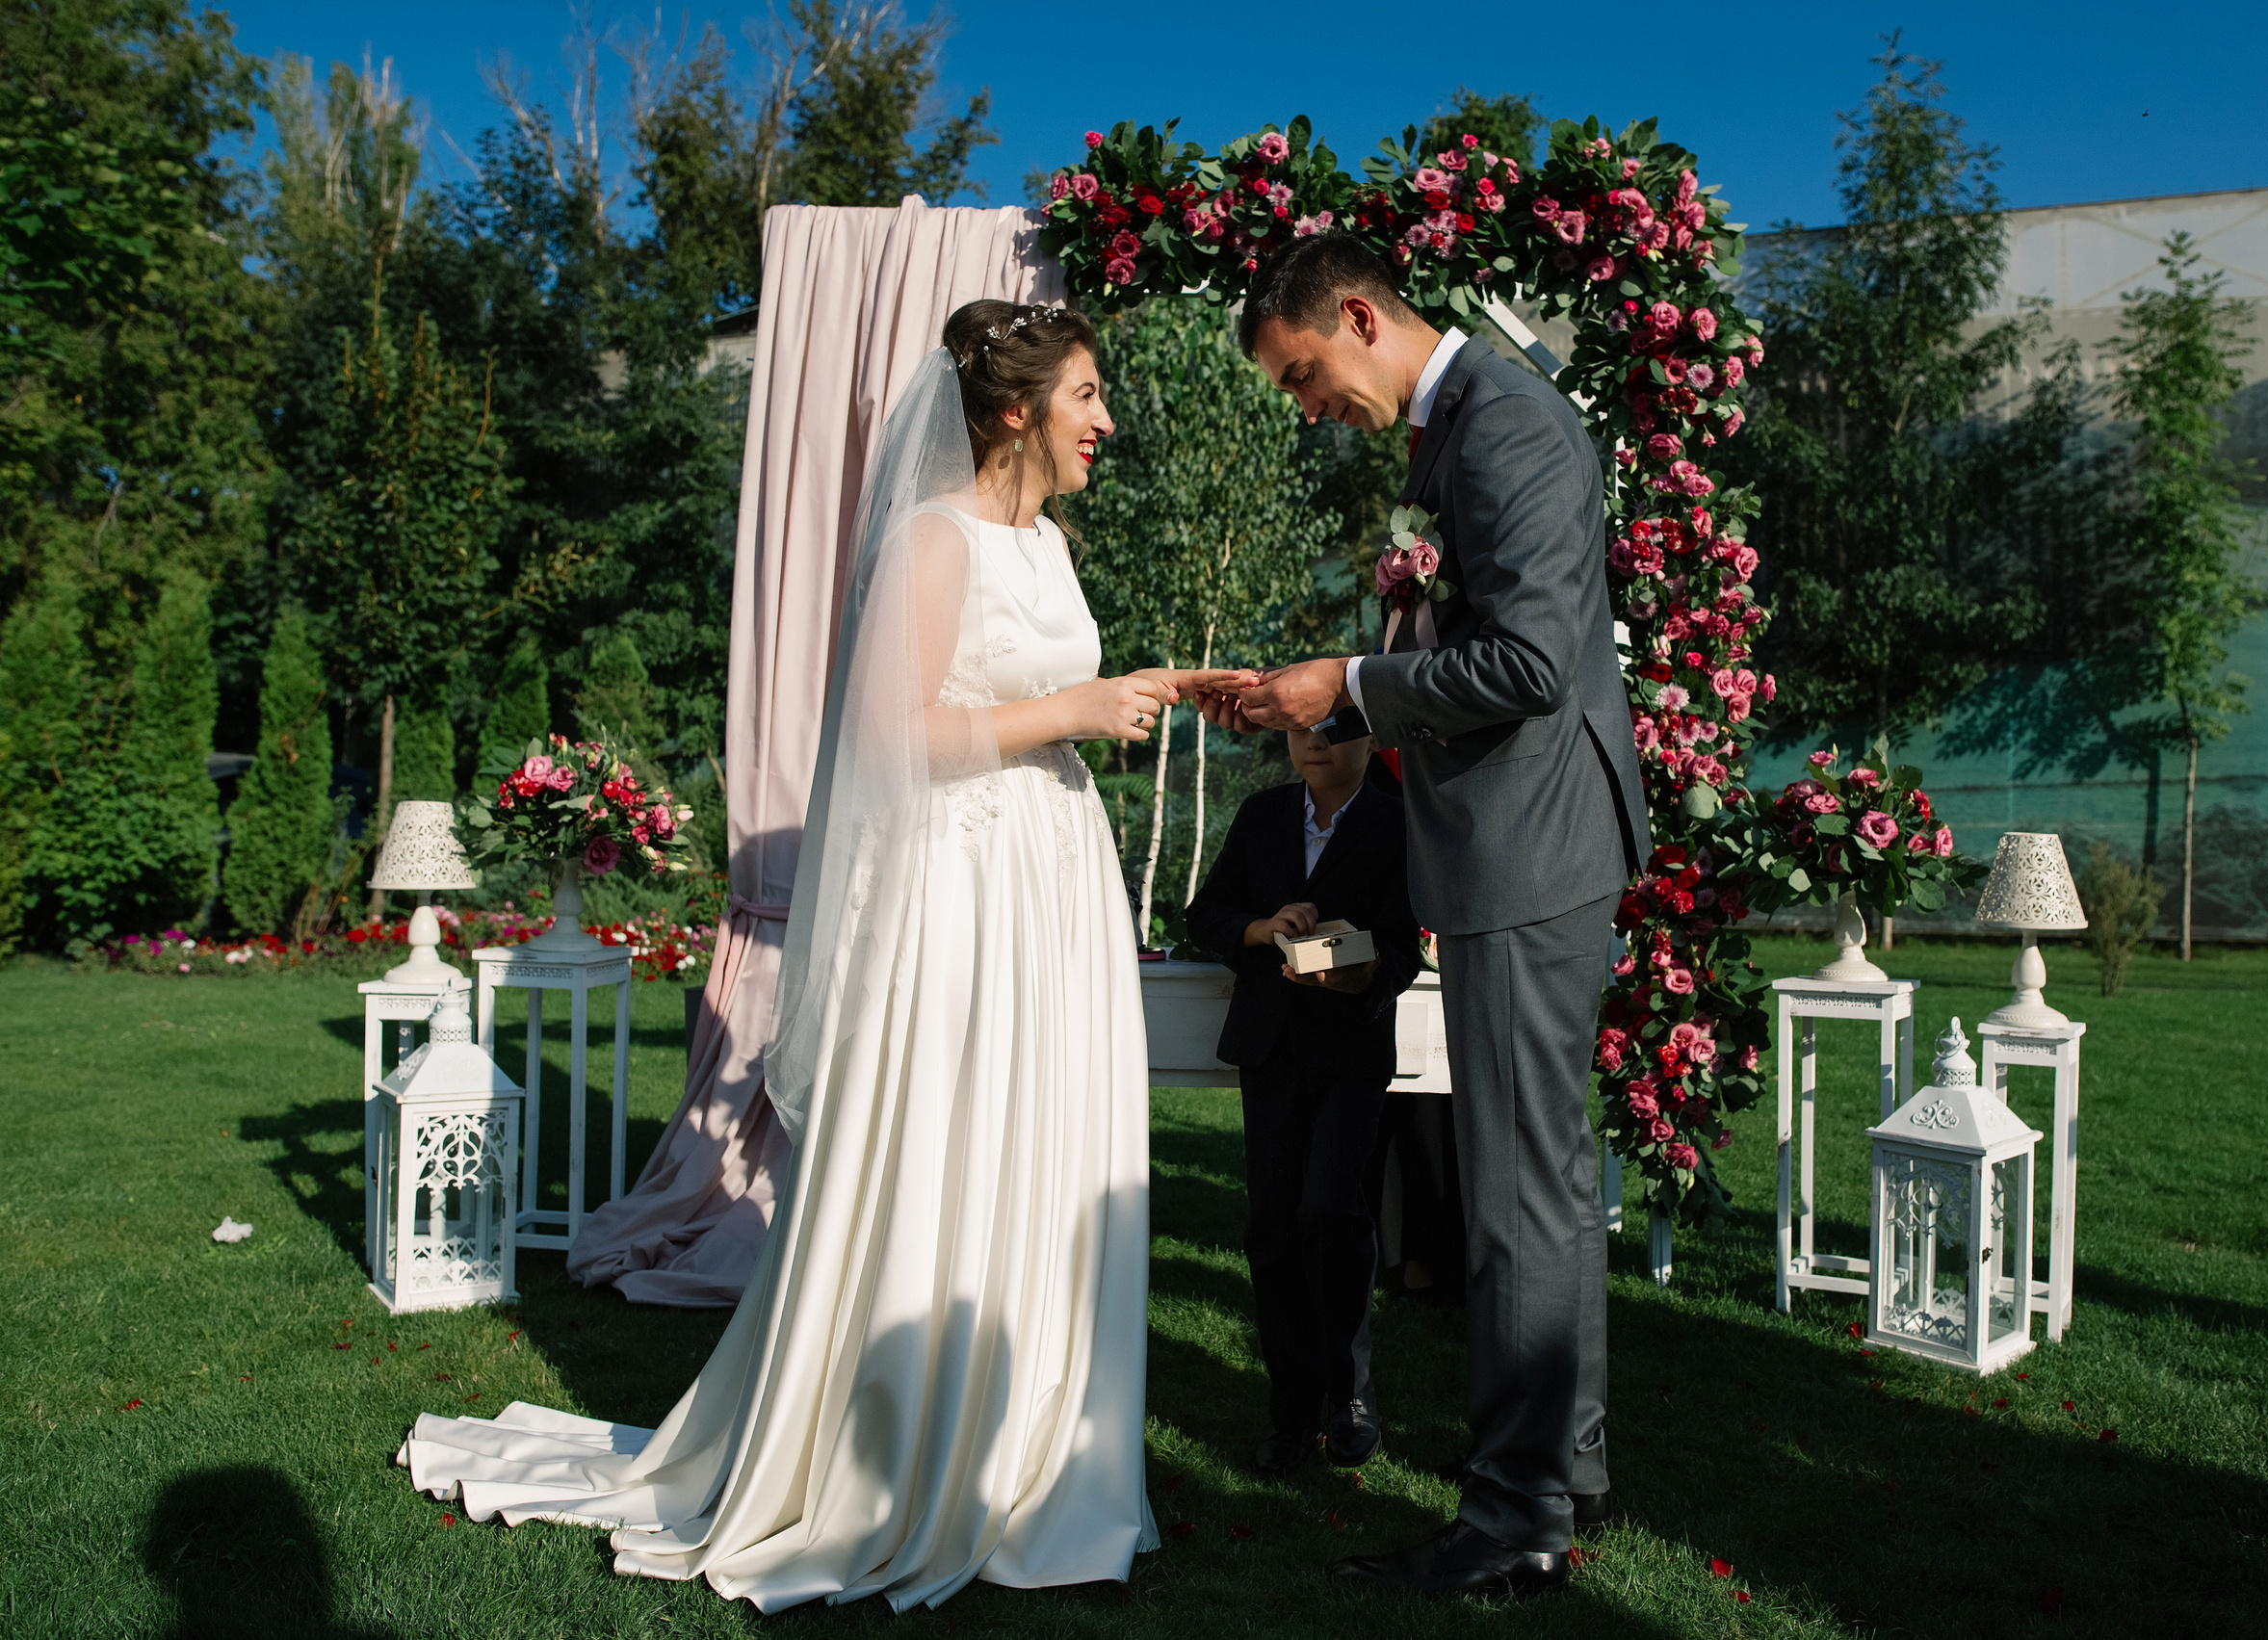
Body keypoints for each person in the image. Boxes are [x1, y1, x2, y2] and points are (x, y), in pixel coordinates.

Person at [399, 300, 1241, 1614]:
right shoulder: (931, 539)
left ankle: (1035, 1458)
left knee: (1044, 1149)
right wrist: (1072, 707)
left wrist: (1146, 690)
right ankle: (906, 1452)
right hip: (961, 889)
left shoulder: (1055, 543)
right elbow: (893, 731)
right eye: (1087, 394)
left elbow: (1031, 698)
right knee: (956, 1142)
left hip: (1050, 878)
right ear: (1016, 408)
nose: (1106, 418)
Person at [1201, 233, 1649, 1598]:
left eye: (1300, 372)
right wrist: (1341, 687)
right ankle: (1559, 1475)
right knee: (1548, 1187)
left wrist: (1348, 675)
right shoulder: (1464, 427)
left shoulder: (1503, 424)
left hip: (1530, 847)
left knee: (1515, 1195)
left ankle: (1512, 1514)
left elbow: (1520, 659)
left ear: (1355, 314)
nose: (1304, 403)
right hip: (1525, 844)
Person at [1185, 725, 1420, 1480]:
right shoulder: (1262, 814)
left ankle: (1351, 1395)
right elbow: (1206, 912)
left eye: (1334, 728)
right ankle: (1291, 1409)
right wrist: (1261, 926)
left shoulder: (1394, 822)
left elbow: (1405, 946)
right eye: (1301, 729)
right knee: (1274, 1226)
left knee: (1332, 1211)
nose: (1315, 742)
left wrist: (1362, 969)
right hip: (1274, 1051)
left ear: (1367, 735)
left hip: (1350, 1049)